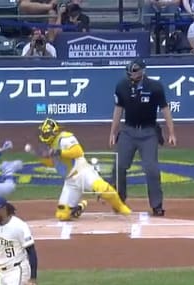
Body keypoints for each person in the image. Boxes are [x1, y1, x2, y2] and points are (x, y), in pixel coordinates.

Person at [109, 59, 176, 217]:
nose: (131, 74)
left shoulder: (155, 87)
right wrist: (113, 132)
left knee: (151, 169)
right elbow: (118, 109)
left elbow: (165, 110)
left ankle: (157, 205)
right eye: (130, 71)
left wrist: (171, 132)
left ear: (142, 71)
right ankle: (119, 201)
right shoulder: (122, 86)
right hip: (128, 131)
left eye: (134, 71)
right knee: (119, 167)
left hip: (148, 132)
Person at [30, 118, 132, 221]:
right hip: (70, 182)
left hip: (83, 172)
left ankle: (120, 206)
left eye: (47, 134)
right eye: (44, 134)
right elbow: (53, 164)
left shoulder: (65, 138)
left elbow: (77, 152)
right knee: (62, 215)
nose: (45, 137)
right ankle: (79, 206)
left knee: (102, 188)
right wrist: (42, 157)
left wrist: (57, 152)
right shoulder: (51, 146)